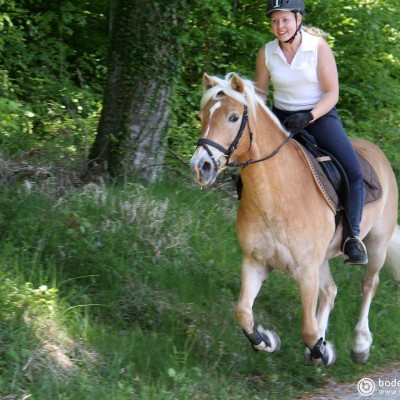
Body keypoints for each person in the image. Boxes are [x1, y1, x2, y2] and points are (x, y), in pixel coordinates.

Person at [254, 0, 368, 264]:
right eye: (274, 21)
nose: (279, 26)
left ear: (298, 19)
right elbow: (259, 95)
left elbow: (332, 92)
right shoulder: (266, 52)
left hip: (319, 116)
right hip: (281, 118)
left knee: (353, 172)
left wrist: (309, 116)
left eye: (285, 20)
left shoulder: (317, 47)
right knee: (250, 160)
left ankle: (352, 238)